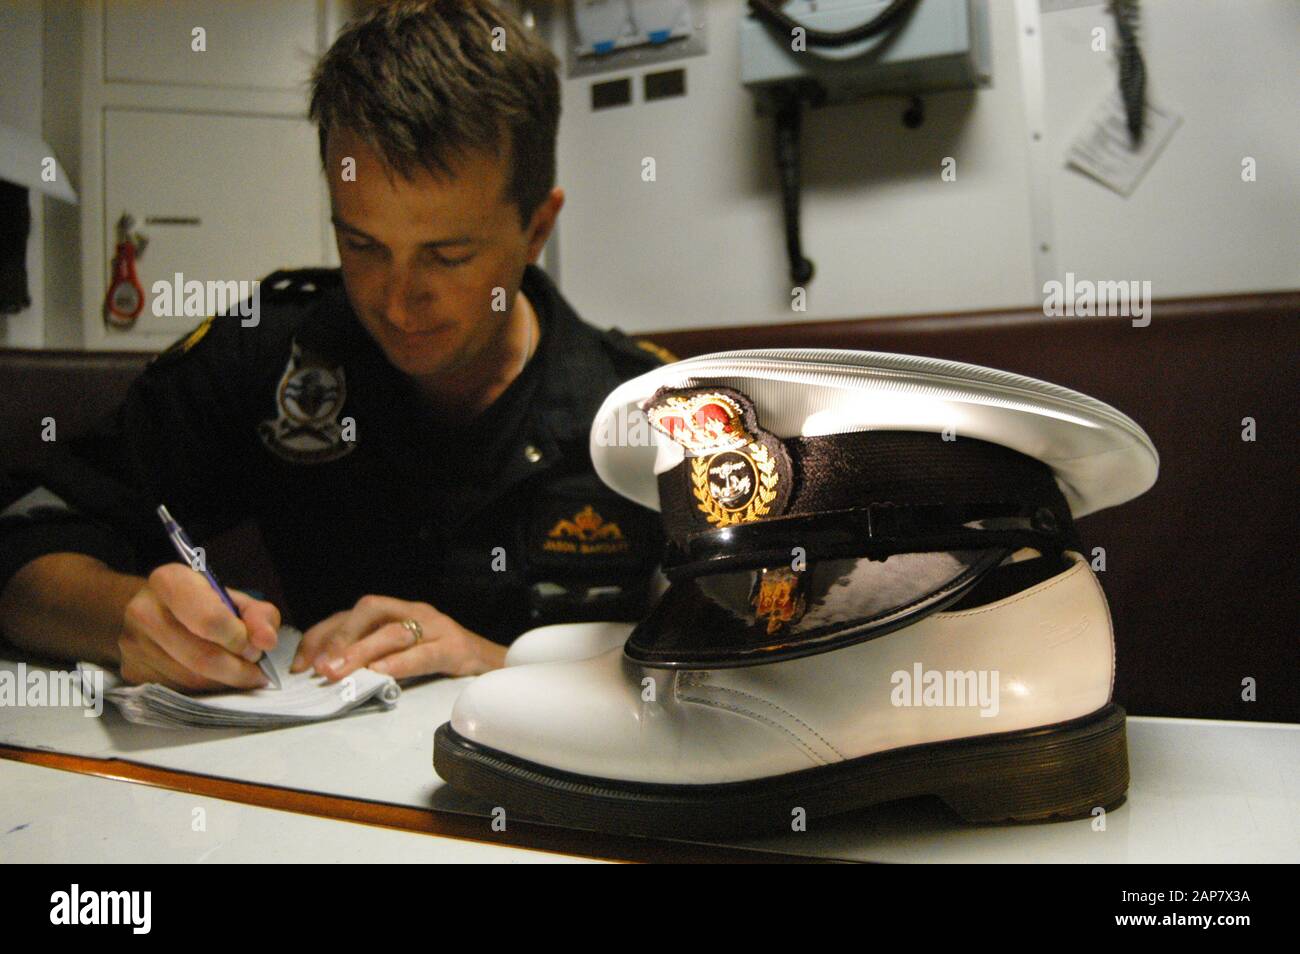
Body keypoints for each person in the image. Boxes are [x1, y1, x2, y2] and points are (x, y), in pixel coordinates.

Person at [0, 0, 672, 692]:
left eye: (446, 256)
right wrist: (122, 618)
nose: (396, 299)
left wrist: (505, 667)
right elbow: (27, 534)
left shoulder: (646, 411)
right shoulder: (275, 354)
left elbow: (753, 657)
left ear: (537, 229)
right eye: (361, 245)